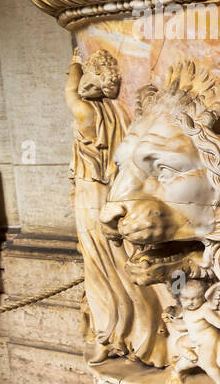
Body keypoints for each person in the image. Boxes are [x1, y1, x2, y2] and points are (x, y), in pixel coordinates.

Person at [65, 49, 162, 365]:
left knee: (101, 269)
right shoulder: (117, 114)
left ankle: (114, 335)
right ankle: (136, 335)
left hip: (92, 200)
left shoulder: (87, 114)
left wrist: (74, 63)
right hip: (110, 195)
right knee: (118, 264)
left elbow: (70, 91)